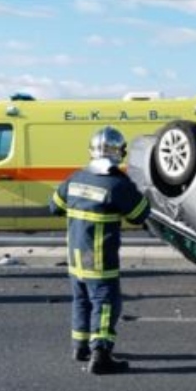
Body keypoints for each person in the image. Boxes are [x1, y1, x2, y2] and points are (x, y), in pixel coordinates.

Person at [48, 126, 151, 374]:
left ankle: (80, 347)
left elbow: (54, 207)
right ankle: (101, 354)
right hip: (99, 257)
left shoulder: (75, 178)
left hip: (75, 257)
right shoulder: (117, 184)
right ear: (119, 152)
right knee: (105, 304)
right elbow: (140, 215)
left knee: (81, 300)